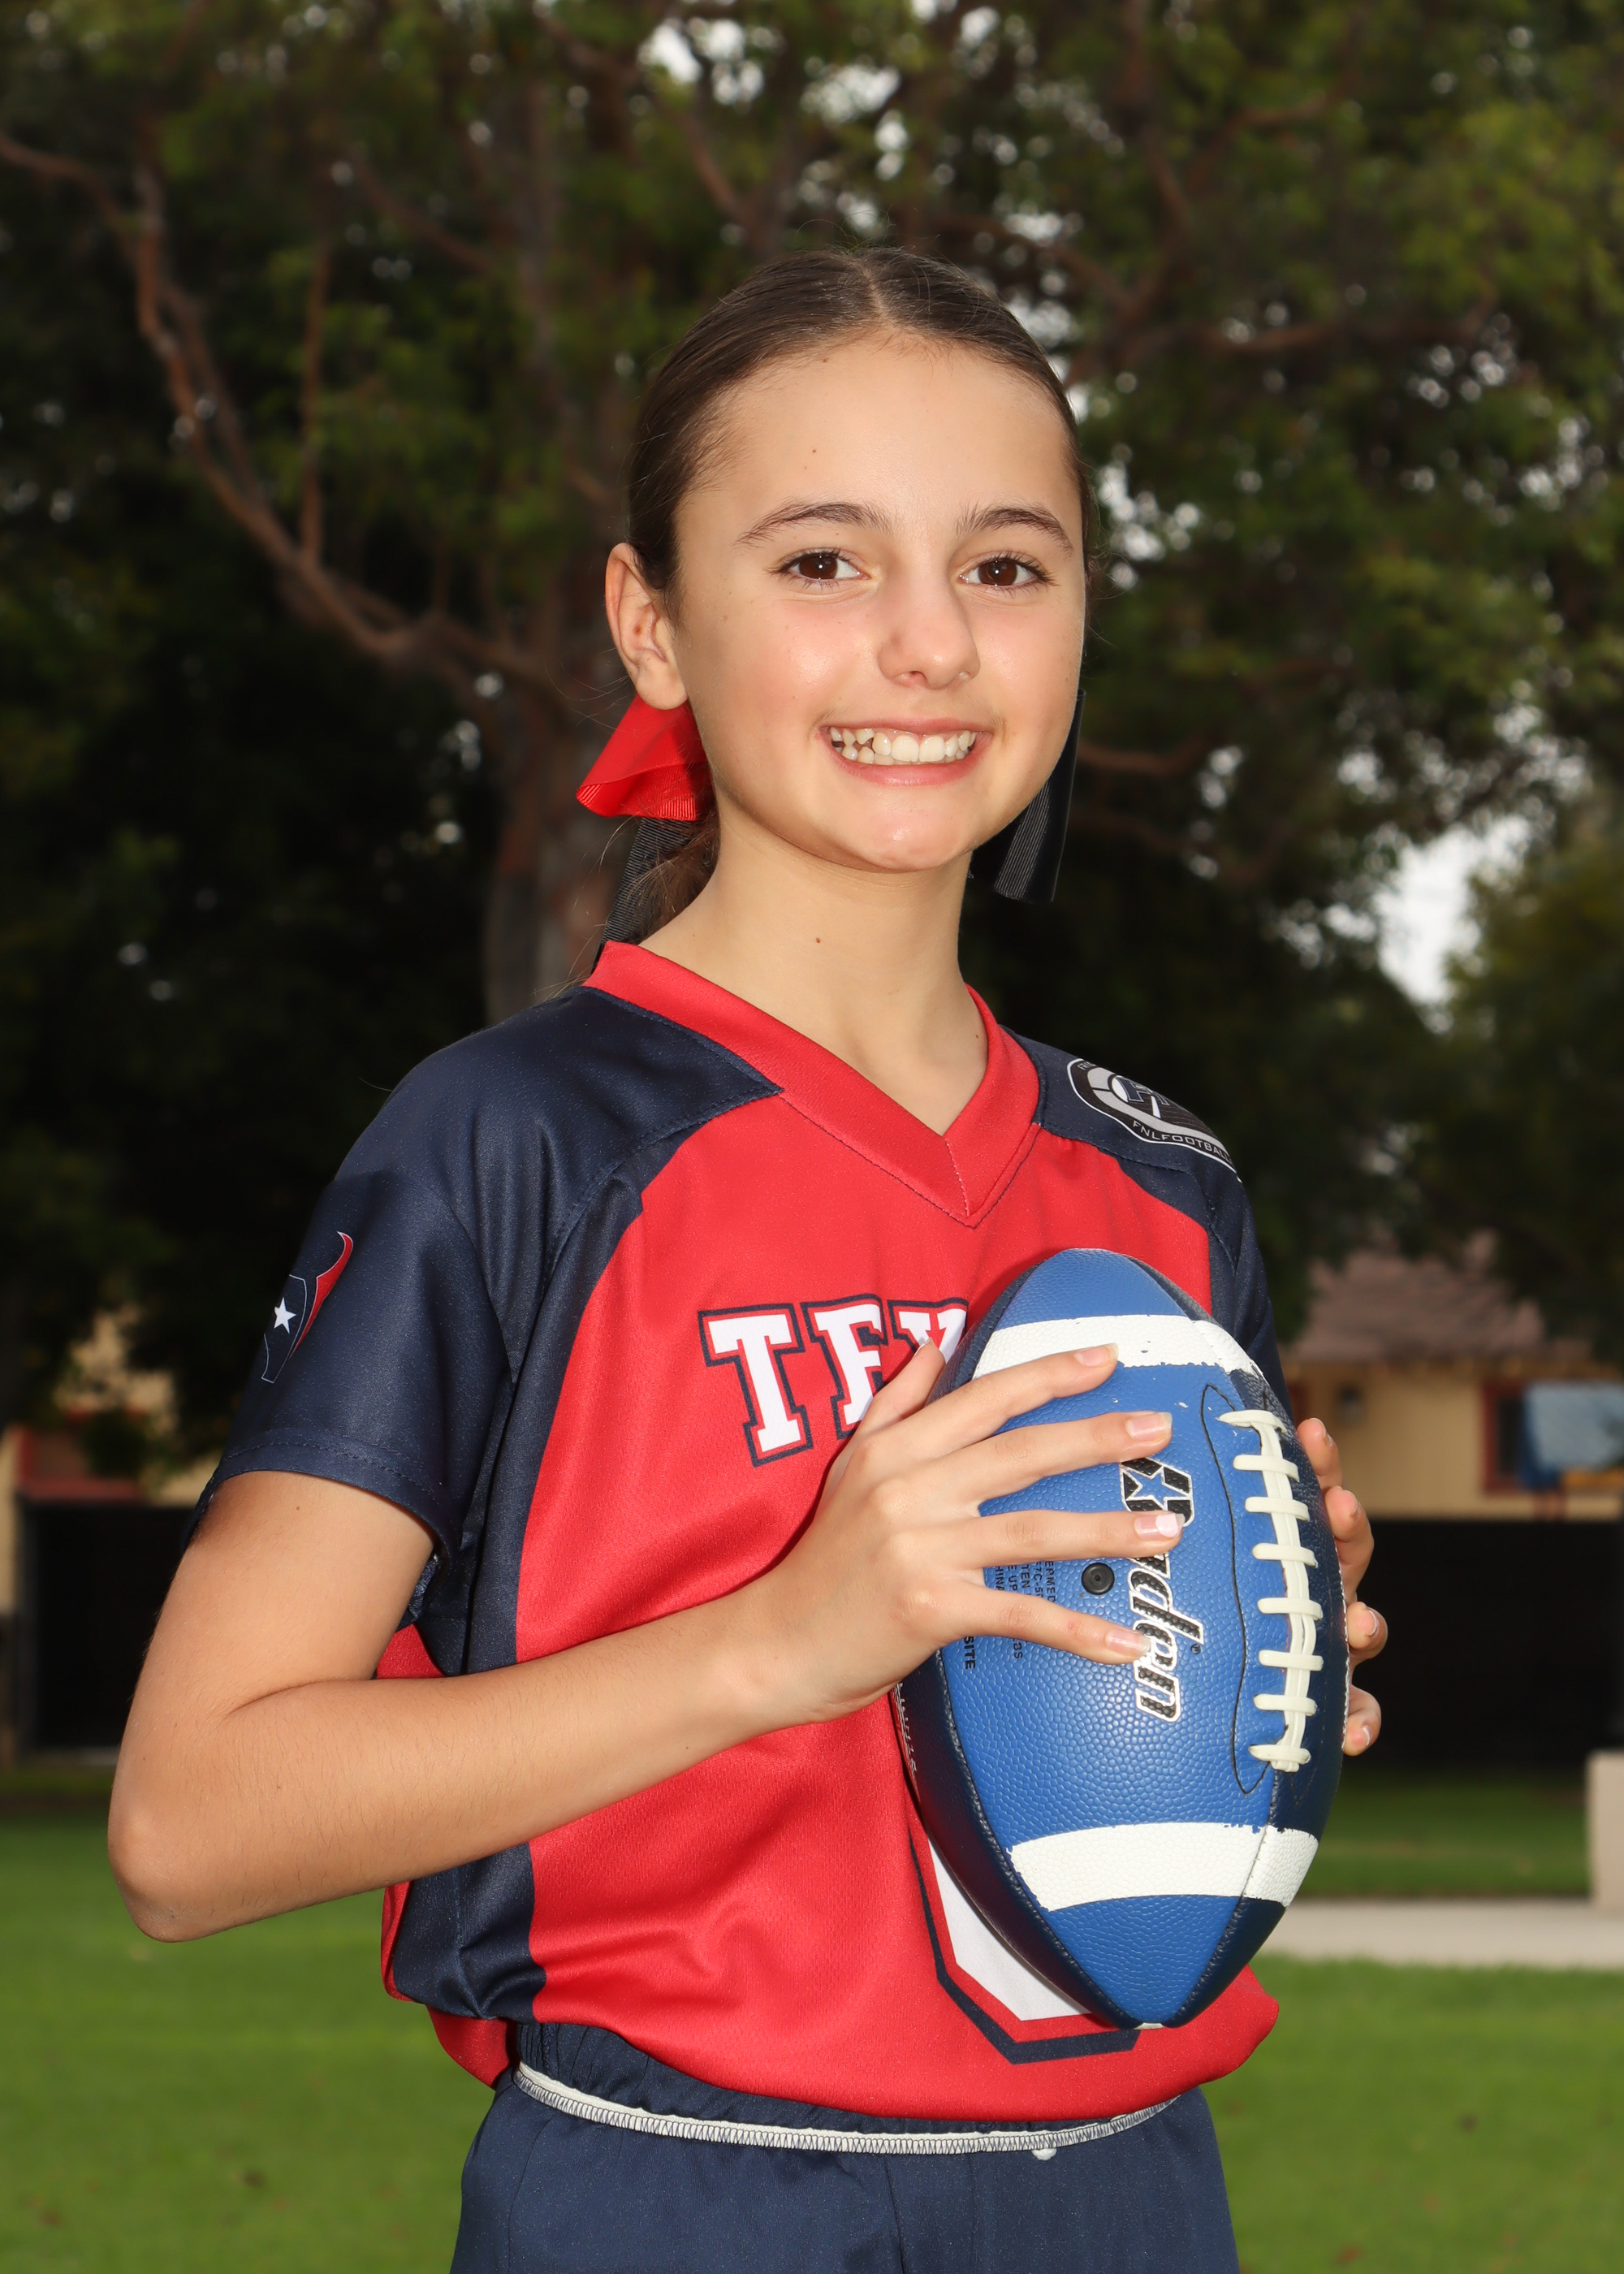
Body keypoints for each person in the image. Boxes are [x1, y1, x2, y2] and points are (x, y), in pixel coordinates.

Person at [110, 249, 1386, 2272]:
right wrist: (784, 1638)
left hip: (1132, 2191)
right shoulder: (517, 1140)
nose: (927, 643)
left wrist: (1260, 1658)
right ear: (651, 620)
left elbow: (1094, 1741)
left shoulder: (1161, 1183)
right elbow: (188, 1821)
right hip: (679, 2190)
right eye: (819, 561)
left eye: (1005, 565)